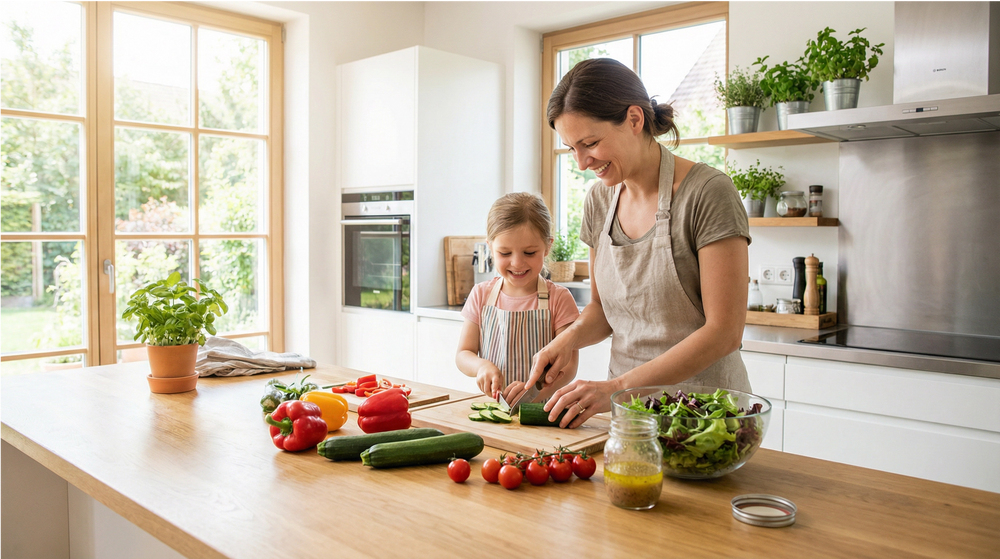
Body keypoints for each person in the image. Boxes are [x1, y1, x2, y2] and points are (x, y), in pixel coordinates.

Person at [529, 58, 752, 428]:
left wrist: (616, 387)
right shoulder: (599, 202)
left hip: (707, 419)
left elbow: (724, 332)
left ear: (635, 119)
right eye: (571, 149)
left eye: (591, 143)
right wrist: (564, 342)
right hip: (630, 420)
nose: (583, 163)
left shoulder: (707, 193)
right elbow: (602, 311)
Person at [456, 193, 580, 401]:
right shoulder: (482, 294)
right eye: (505, 253)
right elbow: (463, 354)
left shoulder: (558, 298)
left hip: (541, 409)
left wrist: (535, 393)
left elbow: (568, 366)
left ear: (547, 246)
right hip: (494, 408)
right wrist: (481, 366)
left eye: (529, 252)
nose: (517, 263)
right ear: (490, 248)